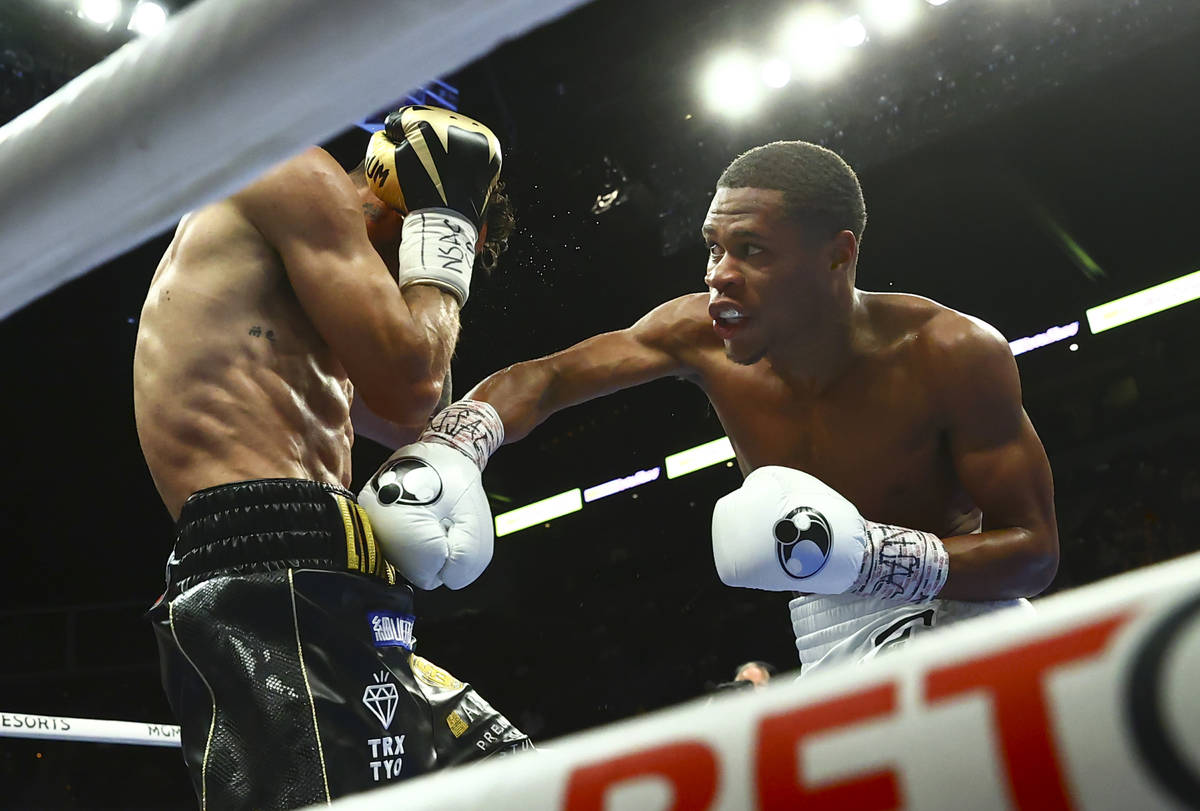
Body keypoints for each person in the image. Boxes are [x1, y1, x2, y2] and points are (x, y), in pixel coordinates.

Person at [359, 140, 1059, 677]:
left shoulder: (950, 351)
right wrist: (456, 445)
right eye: (714, 247)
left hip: (967, 617)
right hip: (824, 634)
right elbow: (545, 380)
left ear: (837, 256)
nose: (719, 272)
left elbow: (1034, 553)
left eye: (751, 250)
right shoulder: (698, 332)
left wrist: (875, 555)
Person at [133, 106, 528, 810]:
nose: (410, 281)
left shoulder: (298, 298)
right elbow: (413, 386)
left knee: (512, 774)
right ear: (415, 209)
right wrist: (446, 245)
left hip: (329, 564)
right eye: (423, 245)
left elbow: (405, 413)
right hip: (269, 566)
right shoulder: (294, 174)